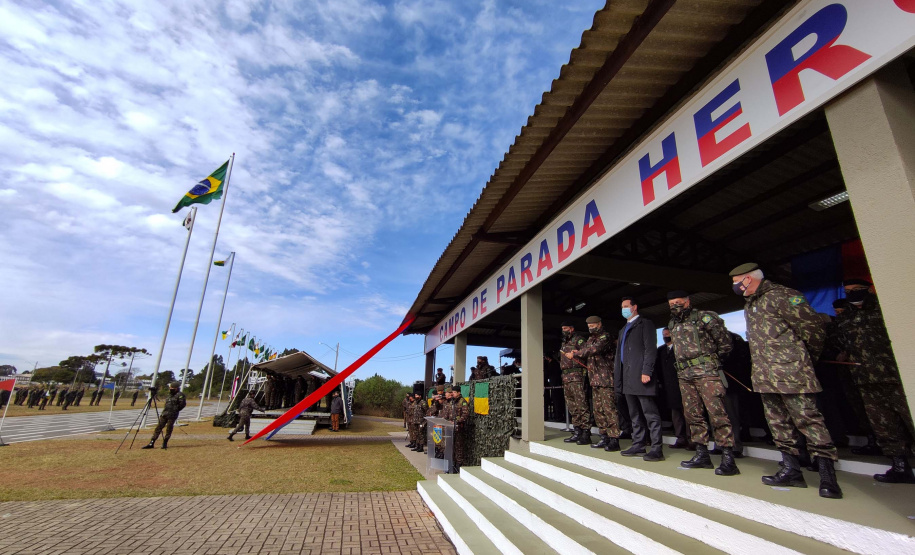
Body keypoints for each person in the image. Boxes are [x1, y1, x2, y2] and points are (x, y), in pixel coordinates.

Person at [730, 263, 841, 499]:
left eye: (736, 280)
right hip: (764, 376)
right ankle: (791, 469)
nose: (734, 286)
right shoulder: (751, 304)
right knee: (778, 424)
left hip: (792, 373)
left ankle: (827, 476)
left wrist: (802, 359)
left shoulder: (784, 295)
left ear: (748, 279)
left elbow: (812, 329)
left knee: (809, 421)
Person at [836, 279, 915, 483]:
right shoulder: (847, 318)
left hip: (895, 376)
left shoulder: (885, 309)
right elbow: (844, 344)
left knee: (910, 418)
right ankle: (900, 465)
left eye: (857, 290)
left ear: (869, 289)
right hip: (866, 380)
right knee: (883, 425)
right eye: (848, 291)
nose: (851, 294)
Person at [667, 291, 738, 476]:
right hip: (684, 374)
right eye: (671, 303)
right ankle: (702, 454)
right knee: (692, 414)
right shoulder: (673, 323)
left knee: (717, 413)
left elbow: (725, 343)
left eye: (678, 301)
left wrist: (712, 362)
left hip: (707, 372)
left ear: (688, 301)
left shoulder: (705, 317)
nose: (675, 305)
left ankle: (728, 457)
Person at [613, 297, 663, 462]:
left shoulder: (645, 324)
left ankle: (656, 448)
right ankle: (638, 443)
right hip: (627, 378)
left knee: (650, 413)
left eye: (626, 306)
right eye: (622, 307)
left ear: (634, 307)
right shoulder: (623, 329)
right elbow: (619, 357)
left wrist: (647, 370)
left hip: (641, 376)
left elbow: (650, 348)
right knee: (634, 414)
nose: (624, 309)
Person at [570, 316, 621, 451]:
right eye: (589, 325)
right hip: (594, 379)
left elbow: (593, 350)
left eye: (593, 325)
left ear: (599, 324)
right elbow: (586, 350)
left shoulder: (605, 337)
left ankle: (614, 439)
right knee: (598, 410)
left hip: (606, 379)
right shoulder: (590, 339)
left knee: (609, 409)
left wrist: (577, 353)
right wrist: (578, 352)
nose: (591, 327)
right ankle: (604, 437)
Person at [558, 322, 592, 445]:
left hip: (577, 375)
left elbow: (586, 353)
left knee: (581, 404)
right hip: (566, 377)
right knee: (572, 405)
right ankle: (577, 431)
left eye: (566, 328)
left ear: (572, 328)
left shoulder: (579, 340)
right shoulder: (564, 342)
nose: (564, 331)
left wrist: (575, 354)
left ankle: (586, 433)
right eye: (562, 329)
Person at [657, 328, 688, 449]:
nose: (666, 336)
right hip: (669, 387)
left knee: (688, 413)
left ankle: (692, 439)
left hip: (683, 384)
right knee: (676, 414)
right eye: (664, 334)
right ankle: (680, 438)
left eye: (667, 334)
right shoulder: (660, 351)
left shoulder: (681, 348)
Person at [142, 382, 187, 450]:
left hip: (172, 415)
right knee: (158, 428)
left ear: (176, 388)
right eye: (170, 388)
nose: (170, 389)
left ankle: (165, 442)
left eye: (172, 388)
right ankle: (152, 442)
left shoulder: (180, 395)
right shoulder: (169, 395)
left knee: (169, 429)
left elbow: (182, 404)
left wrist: (175, 409)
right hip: (164, 413)